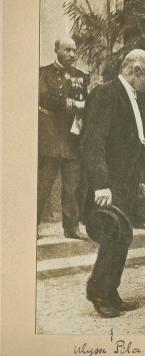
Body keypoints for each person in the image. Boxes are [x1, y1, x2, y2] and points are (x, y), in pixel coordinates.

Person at [81, 49, 145, 318]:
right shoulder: (106, 94)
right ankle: (99, 293)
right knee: (114, 237)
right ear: (136, 71)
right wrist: (101, 185)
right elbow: (94, 143)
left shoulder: (133, 97)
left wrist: (140, 182)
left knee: (122, 237)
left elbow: (135, 143)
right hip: (111, 184)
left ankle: (111, 292)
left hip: (127, 183)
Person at [38, 37, 89, 239]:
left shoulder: (81, 76)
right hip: (50, 135)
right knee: (43, 184)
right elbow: (44, 98)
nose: (72, 54)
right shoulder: (44, 73)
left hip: (71, 137)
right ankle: (32, 225)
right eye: (67, 50)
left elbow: (84, 101)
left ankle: (71, 227)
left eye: (74, 50)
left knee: (72, 186)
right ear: (56, 49)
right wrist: (72, 104)